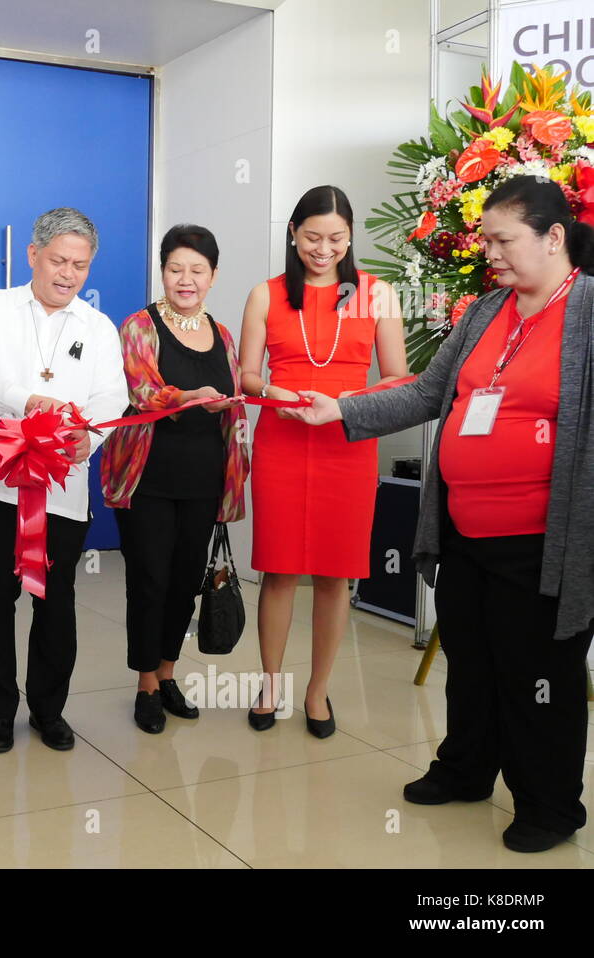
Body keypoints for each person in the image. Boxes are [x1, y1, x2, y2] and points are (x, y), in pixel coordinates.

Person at [286, 176, 594, 853]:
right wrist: (343, 408)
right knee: (473, 658)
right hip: (463, 527)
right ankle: (465, 769)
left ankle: (549, 805)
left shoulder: (588, 312)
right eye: (486, 240)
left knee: (537, 670)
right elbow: (430, 392)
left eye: (503, 240)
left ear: (553, 237)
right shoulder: (488, 310)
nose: (491, 254)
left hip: (543, 538)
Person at [0, 207, 128, 753]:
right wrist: (28, 403)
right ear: (33, 255)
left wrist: (90, 438)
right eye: (58, 260)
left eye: (80, 264)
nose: (68, 274)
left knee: (56, 602)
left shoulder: (96, 327)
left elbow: (112, 396)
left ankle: (49, 710)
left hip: (62, 491)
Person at [239, 185, 407, 737]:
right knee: (279, 568)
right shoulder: (266, 295)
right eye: (313, 236)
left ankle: (318, 691)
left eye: (336, 238)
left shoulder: (376, 295)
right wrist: (276, 392)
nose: (323, 248)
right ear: (293, 233)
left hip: (348, 443)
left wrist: (344, 406)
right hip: (283, 442)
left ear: (351, 237)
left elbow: (396, 380)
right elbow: (247, 376)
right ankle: (270, 684)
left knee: (336, 574)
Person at [100, 224, 248, 733]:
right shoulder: (139, 326)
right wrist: (187, 397)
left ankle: (168, 674)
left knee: (185, 583)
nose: (186, 280)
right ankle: (144, 685)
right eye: (175, 269)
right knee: (149, 581)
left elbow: (233, 411)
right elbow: (143, 391)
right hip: (149, 479)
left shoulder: (223, 334)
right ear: (162, 271)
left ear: (213, 276)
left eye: (197, 271)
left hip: (204, 480)